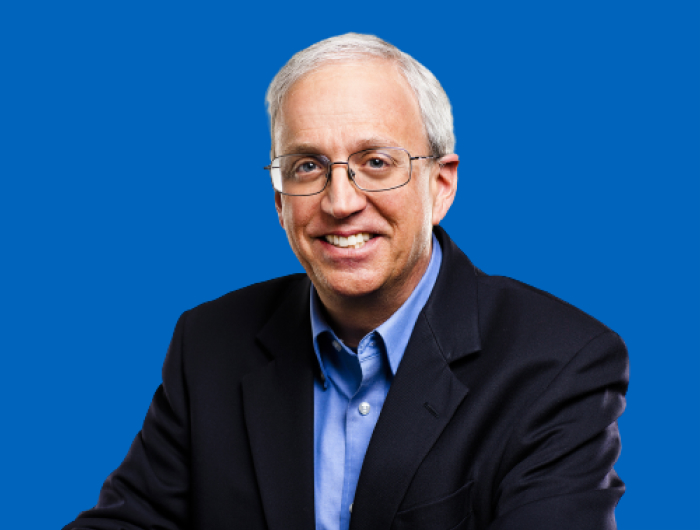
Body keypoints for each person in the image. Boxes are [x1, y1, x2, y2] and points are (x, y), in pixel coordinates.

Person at [63, 33, 628, 530]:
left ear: (441, 185)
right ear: (280, 201)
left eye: (376, 162)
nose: (340, 202)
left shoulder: (562, 362)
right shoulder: (209, 343)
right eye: (307, 166)